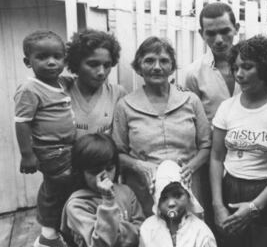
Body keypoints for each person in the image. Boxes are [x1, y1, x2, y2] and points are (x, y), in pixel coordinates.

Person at [210, 36, 267, 247]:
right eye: (235, 68)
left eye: (247, 67)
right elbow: (216, 157)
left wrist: (255, 206)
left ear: (265, 68)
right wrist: (217, 205)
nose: (239, 74)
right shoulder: (227, 107)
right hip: (231, 188)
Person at [112, 36, 211, 217]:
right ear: (139, 66)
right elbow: (116, 153)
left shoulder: (190, 100)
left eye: (164, 61)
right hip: (144, 190)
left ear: (172, 67)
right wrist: (139, 165)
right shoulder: (125, 106)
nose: (157, 67)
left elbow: (206, 146)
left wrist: (191, 167)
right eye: (149, 60)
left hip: (186, 188)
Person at [14, 30, 76, 247]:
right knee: (60, 185)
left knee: (58, 187)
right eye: (42, 57)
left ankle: (55, 232)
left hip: (67, 147)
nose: (51, 62)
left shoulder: (61, 83)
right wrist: (27, 155)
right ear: (27, 61)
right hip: (50, 150)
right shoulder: (30, 88)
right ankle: (50, 235)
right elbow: (22, 122)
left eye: (57, 57)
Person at [61, 133, 144, 247]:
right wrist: (108, 201)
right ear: (81, 172)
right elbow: (100, 244)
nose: (104, 177)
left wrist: (113, 232)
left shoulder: (126, 192)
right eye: (95, 171)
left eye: (110, 169)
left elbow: (141, 231)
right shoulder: (77, 204)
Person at [61, 29, 127, 137]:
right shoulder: (62, 90)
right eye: (93, 64)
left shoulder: (117, 93)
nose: (101, 72)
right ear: (77, 63)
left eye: (106, 65)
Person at [184, 2, 241, 123]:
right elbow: (192, 119)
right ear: (202, 34)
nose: (219, 40)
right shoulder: (194, 73)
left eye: (225, 31)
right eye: (211, 33)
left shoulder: (255, 66)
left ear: (236, 29)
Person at [139, 160, 216, 247]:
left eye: (177, 195)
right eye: (164, 198)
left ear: (188, 195)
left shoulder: (201, 232)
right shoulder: (148, 229)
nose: (171, 203)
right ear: (157, 200)